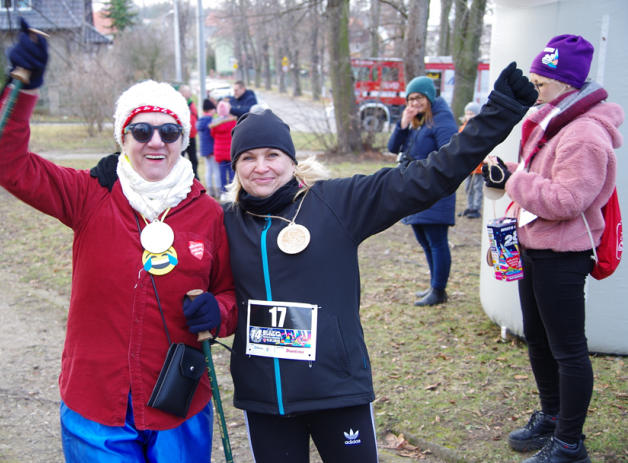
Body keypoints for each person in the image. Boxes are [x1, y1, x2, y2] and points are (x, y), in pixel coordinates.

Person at [222, 62, 537, 463]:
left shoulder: (336, 203)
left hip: (336, 388)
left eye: (272, 154)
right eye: (247, 157)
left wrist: (498, 114)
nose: (261, 166)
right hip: (266, 397)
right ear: (235, 166)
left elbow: (431, 176)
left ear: (292, 160)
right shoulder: (227, 222)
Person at [0, 20, 236, 462]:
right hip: (96, 403)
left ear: (183, 139)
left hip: (178, 401)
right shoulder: (89, 194)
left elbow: (231, 293)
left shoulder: (209, 213)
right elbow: (7, 164)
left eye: (169, 131)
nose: (155, 141)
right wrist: (22, 90)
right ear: (123, 138)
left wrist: (218, 311)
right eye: (142, 131)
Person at [483, 35, 622, 463]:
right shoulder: (553, 120)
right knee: (540, 342)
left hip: (562, 254)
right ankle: (552, 416)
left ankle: (570, 444)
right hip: (534, 245)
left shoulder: (583, 135)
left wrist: (513, 181)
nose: (534, 85)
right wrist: (511, 171)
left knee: (568, 350)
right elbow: (537, 176)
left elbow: (567, 201)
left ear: (565, 84)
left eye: (541, 80)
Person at [387, 76, 459, 306]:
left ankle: (439, 290)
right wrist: (404, 122)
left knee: (437, 240)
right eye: (410, 99)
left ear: (429, 96)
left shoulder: (442, 119)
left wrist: (424, 171)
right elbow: (392, 147)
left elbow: (450, 154)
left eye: (418, 98)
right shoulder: (418, 120)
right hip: (417, 188)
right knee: (424, 239)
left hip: (435, 190)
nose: (414, 103)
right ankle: (434, 285)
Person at [458, 102, 485, 219]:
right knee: (468, 187)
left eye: (472, 114)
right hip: (466, 164)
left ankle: (476, 208)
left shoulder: (481, 128)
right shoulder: (463, 128)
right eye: (467, 114)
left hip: (478, 165)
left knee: (478, 187)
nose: (469, 116)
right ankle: (469, 207)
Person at [210, 101, 237, 201]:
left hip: (219, 152)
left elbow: (213, 134)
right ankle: (232, 193)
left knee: (221, 173)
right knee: (232, 173)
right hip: (230, 151)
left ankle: (223, 193)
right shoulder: (233, 122)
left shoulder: (215, 124)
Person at [196, 98, 219, 197]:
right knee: (216, 169)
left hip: (204, 150)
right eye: (214, 109)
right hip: (212, 149)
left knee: (208, 169)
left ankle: (210, 190)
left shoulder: (200, 121)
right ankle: (218, 190)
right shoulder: (211, 122)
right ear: (210, 110)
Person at [178, 85, 200, 180]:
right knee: (179, 159)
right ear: (182, 93)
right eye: (188, 91)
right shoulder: (177, 104)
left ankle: (195, 178)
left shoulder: (191, 103)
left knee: (193, 159)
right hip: (181, 137)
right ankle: (180, 178)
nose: (190, 93)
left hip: (192, 136)